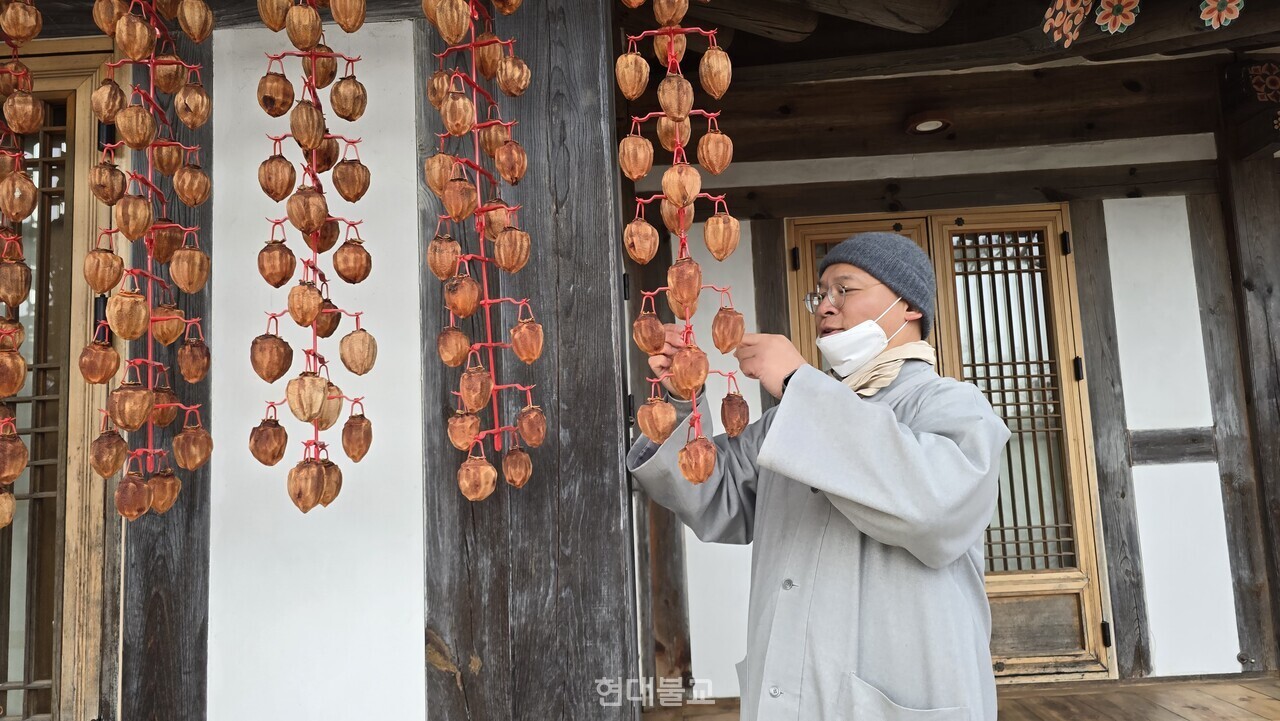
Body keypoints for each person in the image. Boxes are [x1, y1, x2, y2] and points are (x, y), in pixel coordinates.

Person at [627, 232, 1011, 721]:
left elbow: (937, 510)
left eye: (844, 291)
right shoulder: (790, 418)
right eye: (819, 294)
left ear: (909, 305)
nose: (825, 307)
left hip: (905, 697)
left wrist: (796, 383)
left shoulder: (950, 404)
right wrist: (682, 397)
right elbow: (712, 496)